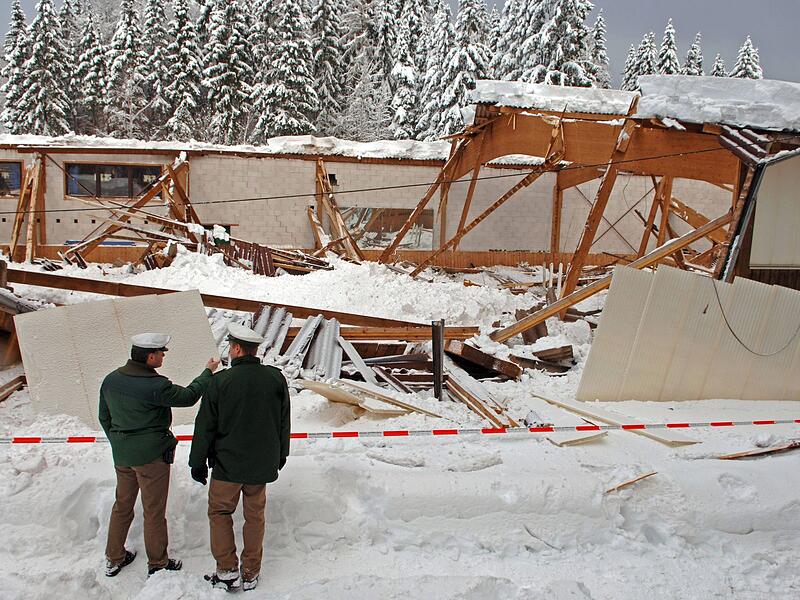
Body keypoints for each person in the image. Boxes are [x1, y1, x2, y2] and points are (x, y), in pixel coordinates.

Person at [99, 332, 220, 578]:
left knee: (122, 506)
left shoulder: (111, 380)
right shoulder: (155, 385)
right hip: (152, 457)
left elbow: (105, 417)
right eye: (162, 353)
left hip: (123, 456)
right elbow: (188, 396)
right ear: (150, 356)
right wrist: (207, 372)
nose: (164, 356)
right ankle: (158, 563)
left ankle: (114, 557)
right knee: (153, 511)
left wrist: (120, 443)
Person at [189, 323, 291, 592]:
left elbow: (205, 426)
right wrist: (281, 454)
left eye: (230, 347)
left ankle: (226, 570)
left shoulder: (220, 382)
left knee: (220, 512)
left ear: (236, 349)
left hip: (227, 466)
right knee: (255, 516)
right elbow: (283, 421)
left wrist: (197, 462)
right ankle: (250, 572)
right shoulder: (275, 378)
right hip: (261, 464)